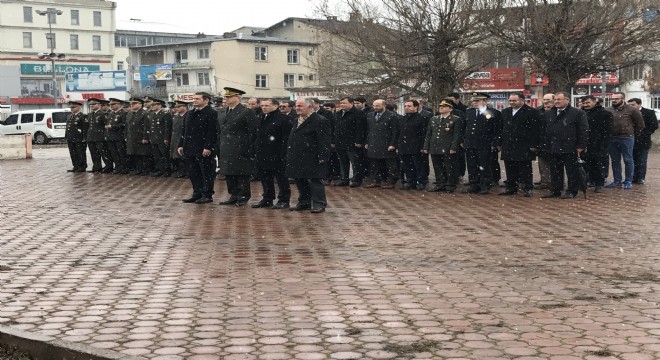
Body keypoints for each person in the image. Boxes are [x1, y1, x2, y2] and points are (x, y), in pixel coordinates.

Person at [286, 98, 332, 213]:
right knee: (300, 179)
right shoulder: (297, 119)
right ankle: (304, 202)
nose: (297, 108)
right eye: (296, 106)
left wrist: (323, 156)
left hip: (313, 156)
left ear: (310, 107)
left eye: (300, 106)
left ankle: (319, 203)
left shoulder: (320, 120)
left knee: (315, 180)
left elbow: (324, 140)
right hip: (298, 155)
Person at [540, 91, 589, 199]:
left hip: (570, 147)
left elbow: (583, 130)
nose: (556, 102)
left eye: (559, 99)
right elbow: (544, 130)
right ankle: (555, 190)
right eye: (555, 100)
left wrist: (581, 145)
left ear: (567, 100)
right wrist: (545, 144)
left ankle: (572, 191)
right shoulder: (548, 113)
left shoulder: (577, 113)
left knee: (572, 171)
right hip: (553, 146)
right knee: (555, 170)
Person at [216, 87, 258, 206]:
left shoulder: (246, 112)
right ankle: (233, 194)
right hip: (225, 146)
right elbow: (219, 130)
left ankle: (243, 195)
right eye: (226, 97)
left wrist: (250, 148)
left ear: (238, 97)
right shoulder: (222, 111)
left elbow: (253, 132)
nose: (227, 99)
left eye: (230, 97)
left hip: (240, 146)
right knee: (229, 172)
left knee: (241, 173)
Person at [496, 92, 541, 197]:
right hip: (508, 144)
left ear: (522, 100)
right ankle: (511, 188)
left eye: (514, 100)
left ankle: (527, 188)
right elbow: (500, 128)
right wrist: (498, 141)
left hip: (524, 145)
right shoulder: (505, 112)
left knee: (525, 168)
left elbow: (536, 130)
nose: (511, 102)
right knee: (510, 167)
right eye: (510, 100)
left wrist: (534, 144)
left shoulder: (531, 112)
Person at [251, 99, 293, 209]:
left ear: (275, 106)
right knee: (265, 177)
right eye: (262, 105)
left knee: (281, 178)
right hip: (262, 152)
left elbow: (286, 138)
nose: (264, 107)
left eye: (267, 105)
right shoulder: (260, 117)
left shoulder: (284, 119)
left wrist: (284, 153)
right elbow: (257, 134)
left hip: (277, 153)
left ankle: (284, 199)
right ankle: (267, 198)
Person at [177, 92, 218, 204]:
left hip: (203, 148)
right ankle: (197, 193)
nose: (194, 101)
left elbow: (212, 132)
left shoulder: (211, 113)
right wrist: (181, 144)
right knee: (193, 172)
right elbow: (184, 131)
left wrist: (208, 147)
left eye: (197, 99)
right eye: (193, 99)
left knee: (206, 172)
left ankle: (207, 194)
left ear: (206, 100)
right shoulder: (189, 113)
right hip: (189, 147)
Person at [461, 92, 501, 194]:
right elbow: (464, 127)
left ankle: (485, 184)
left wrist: (495, 143)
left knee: (484, 165)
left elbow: (496, 130)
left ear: (484, 101)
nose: (474, 103)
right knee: (472, 165)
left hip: (484, 143)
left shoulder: (493, 112)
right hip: (470, 143)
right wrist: (463, 140)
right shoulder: (468, 112)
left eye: (477, 101)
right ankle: (474, 184)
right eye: (473, 101)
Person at [605, 92, 644, 189]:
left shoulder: (632, 110)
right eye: (612, 98)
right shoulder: (608, 110)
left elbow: (640, 124)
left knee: (628, 159)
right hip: (612, 138)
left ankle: (628, 181)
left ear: (623, 99)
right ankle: (617, 181)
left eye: (617, 98)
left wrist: (633, 133)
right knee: (615, 160)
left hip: (626, 138)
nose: (614, 100)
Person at [423, 99, 462, 193]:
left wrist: (453, 147)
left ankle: (450, 184)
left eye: (444, 106)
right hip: (435, 146)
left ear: (450, 109)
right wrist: (426, 146)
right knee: (437, 166)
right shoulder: (434, 119)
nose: (441, 108)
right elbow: (429, 134)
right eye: (440, 106)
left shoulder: (455, 119)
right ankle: (440, 183)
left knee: (449, 167)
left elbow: (457, 135)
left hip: (447, 147)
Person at [333, 97, 368, 187]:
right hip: (340, 142)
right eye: (341, 103)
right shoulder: (338, 114)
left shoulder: (359, 113)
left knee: (355, 163)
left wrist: (359, 141)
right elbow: (334, 128)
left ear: (351, 104)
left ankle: (357, 180)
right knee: (343, 162)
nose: (342, 105)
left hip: (352, 143)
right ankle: (344, 179)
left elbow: (361, 129)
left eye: (344, 103)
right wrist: (333, 140)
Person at [581, 95, 613, 192]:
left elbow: (608, 130)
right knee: (584, 165)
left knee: (598, 164)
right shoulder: (581, 113)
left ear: (595, 101)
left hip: (598, 143)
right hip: (584, 143)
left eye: (588, 102)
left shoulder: (605, 114)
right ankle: (585, 182)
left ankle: (599, 183)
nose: (586, 105)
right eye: (584, 103)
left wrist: (603, 143)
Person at [364, 99, 399, 189]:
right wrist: (367, 142)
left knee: (389, 164)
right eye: (374, 105)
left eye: (377, 106)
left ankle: (390, 181)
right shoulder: (370, 115)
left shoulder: (392, 116)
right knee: (374, 164)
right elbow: (368, 130)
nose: (375, 107)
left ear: (384, 106)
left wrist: (393, 144)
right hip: (373, 142)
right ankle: (376, 180)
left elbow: (395, 131)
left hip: (386, 143)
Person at [398, 100, 429, 190]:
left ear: (416, 107)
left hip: (417, 146)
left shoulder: (422, 118)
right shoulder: (403, 119)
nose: (407, 108)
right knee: (407, 165)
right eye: (405, 106)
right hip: (404, 146)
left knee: (419, 166)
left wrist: (423, 146)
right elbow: (400, 133)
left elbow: (424, 134)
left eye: (409, 106)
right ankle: (411, 181)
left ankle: (421, 182)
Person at [627, 98, 657, 185]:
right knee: (632, 159)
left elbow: (653, 125)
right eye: (629, 105)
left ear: (639, 104)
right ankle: (633, 176)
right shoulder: (628, 113)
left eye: (633, 105)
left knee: (642, 160)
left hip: (643, 140)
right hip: (631, 139)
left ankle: (641, 177)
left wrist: (644, 133)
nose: (631, 107)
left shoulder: (648, 112)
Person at [146, 99, 173, 177]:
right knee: (156, 155)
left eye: (154, 105)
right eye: (152, 105)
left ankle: (167, 170)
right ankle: (160, 169)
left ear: (159, 105)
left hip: (162, 138)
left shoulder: (165, 114)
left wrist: (166, 138)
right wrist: (150, 137)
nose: (152, 107)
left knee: (164, 154)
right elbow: (150, 127)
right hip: (154, 138)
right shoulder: (152, 114)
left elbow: (167, 128)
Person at [125, 98, 150, 175]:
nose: (132, 105)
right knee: (134, 154)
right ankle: (137, 169)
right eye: (132, 104)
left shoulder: (145, 113)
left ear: (140, 104)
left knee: (142, 154)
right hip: (131, 137)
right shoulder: (130, 114)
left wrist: (145, 137)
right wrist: (126, 136)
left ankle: (145, 170)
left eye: (135, 103)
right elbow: (127, 126)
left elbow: (147, 126)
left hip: (140, 137)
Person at [535, 94, 555, 189]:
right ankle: (545, 180)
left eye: (548, 100)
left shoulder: (557, 112)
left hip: (554, 142)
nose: (545, 101)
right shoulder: (538, 110)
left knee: (554, 164)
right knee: (542, 163)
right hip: (541, 141)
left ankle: (555, 182)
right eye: (544, 99)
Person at [105, 98, 128, 174]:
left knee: (121, 153)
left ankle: (124, 168)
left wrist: (113, 126)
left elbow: (124, 124)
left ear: (119, 104)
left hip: (119, 136)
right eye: (110, 104)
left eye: (113, 104)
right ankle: (118, 167)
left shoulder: (123, 113)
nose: (111, 106)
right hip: (111, 136)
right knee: (114, 153)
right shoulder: (111, 113)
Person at [85, 98, 108, 173]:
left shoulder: (102, 114)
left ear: (99, 105)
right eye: (91, 104)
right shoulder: (90, 114)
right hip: (91, 137)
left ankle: (108, 166)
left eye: (94, 104)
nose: (92, 106)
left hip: (100, 137)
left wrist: (104, 136)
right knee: (94, 153)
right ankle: (96, 167)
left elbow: (106, 126)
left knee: (103, 153)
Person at [65, 101, 88, 172]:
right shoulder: (69, 116)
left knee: (80, 153)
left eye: (73, 107)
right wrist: (66, 136)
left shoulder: (83, 116)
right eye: (71, 107)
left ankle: (82, 167)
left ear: (78, 108)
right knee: (73, 153)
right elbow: (68, 127)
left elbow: (85, 128)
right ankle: (75, 166)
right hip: (71, 138)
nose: (71, 109)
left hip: (79, 138)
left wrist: (84, 138)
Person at [170, 101, 189, 178]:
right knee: (176, 156)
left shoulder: (188, 116)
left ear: (185, 107)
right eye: (176, 107)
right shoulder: (176, 117)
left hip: (184, 138)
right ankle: (181, 171)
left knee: (184, 156)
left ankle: (187, 171)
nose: (177, 109)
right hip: (175, 138)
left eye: (179, 107)